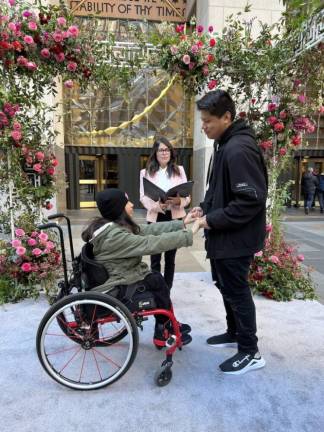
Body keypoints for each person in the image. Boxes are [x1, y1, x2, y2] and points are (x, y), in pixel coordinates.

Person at [191, 90, 268, 375]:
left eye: (209, 121)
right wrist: (203, 209)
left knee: (237, 292)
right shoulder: (224, 144)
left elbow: (250, 200)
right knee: (226, 287)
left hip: (236, 239)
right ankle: (234, 332)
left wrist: (211, 221)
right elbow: (219, 191)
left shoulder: (238, 149)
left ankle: (250, 351)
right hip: (225, 236)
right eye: (202, 120)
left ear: (227, 117)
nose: (204, 126)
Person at [81, 188, 200, 345]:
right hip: (118, 283)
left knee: (155, 278)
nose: (131, 204)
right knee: (156, 281)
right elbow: (150, 243)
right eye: (127, 202)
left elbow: (148, 230)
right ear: (118, 208)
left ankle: (166, 324)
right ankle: (163, 330)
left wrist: (183, 223)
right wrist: (189, 234)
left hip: (120, 273)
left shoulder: (113, 227)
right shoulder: (115, 236)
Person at [140, 137, 191, 289]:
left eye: (167, 149)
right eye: (161, 150)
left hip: (174, 217)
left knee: (170, 257)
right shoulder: (145, 172)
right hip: (156, 217)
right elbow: (143, 197)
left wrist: (179, 202)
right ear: (155, 153)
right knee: (155, 257)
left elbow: (187, 196)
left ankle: (167, 291)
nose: (165, 153)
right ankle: (156, 290)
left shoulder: (179, 170)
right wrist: (158, 205)